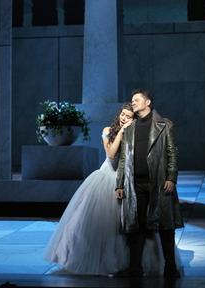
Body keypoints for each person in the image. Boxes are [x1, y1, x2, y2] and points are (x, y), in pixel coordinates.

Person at [42, 102, 177, 275]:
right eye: (123, 114)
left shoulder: (135, 134)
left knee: (131, 226)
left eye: (129, 116)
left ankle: (133, 264)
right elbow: (111, 154)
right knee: (100, 225)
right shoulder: (108, 131)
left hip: (126, 181)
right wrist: (121, 132)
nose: (124, 118)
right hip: (106, 179)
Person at [115, 89, 184, 278]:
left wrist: (171, 177)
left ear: (148, 102)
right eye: (132, 100)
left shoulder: (164, 125)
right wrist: (119, 183)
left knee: (165, 225)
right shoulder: (130, 127)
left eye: (137, 100)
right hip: (135, 185)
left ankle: (170, 267)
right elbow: (123, 158)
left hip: (159, 183)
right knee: (136, 226)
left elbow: (172, 153)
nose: (133, 102)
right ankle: (135, 268)